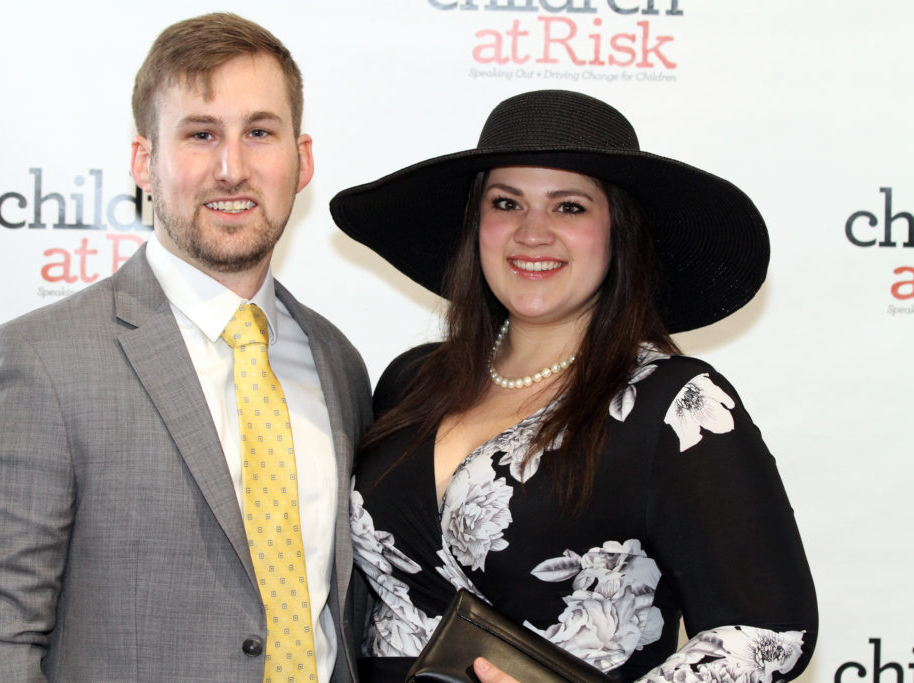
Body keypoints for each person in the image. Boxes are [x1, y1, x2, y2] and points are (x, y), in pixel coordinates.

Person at [0, 12, 371, 683]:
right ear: (144, 161)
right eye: (200, 134)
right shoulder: (37, 365)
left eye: (259, 132)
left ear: (301, 159)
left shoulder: (336, 363)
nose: (232, 168)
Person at [330, 90, 817, 682]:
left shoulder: (677, 404)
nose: (533, 233)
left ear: (618, 231)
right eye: (506, 202)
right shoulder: (412, 381)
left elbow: (768, 634)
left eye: (570, 207)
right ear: (476, 225)